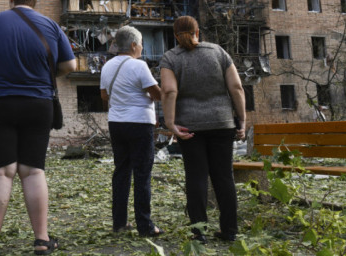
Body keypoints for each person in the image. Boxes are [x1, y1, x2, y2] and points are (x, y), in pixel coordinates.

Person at [0, 0, 76, 256]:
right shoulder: (51, 25)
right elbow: (69, 65)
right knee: (33, 170)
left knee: (0, 171)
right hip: (37, 103)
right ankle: (41, 240)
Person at [159, 16, 246, 243]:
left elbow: (168, 91)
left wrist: (170, 123)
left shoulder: (170, 57)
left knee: (196, 178)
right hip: (222, 122)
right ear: (198, 31)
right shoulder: (218, 52)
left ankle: (199, 234)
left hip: (190, 127)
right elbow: (236, 87)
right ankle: (229, 231)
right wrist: (242, 120)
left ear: (175, 35)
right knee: (223, 178)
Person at [99, 26, 163, 236]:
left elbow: (104, 97)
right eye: (141, 44)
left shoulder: (107, 66)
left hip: (116, 123)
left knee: (121, 172)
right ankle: (145, 225)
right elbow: (157, 94)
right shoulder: (139, 65)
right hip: (139, 124)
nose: (142, 48)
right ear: (134, 45)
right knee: (142, 173)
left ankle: (119, 223)